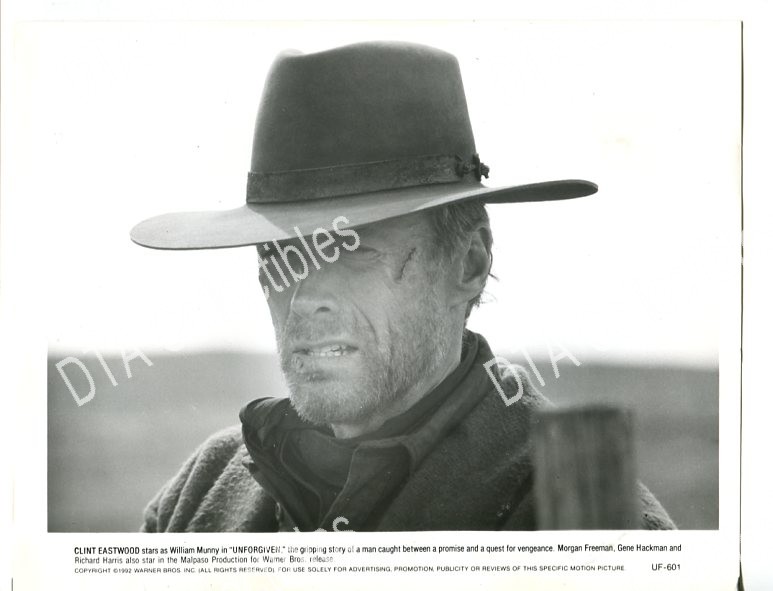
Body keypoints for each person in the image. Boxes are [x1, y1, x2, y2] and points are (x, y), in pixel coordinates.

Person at [132, 41, 674, 532]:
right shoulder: (200, 493)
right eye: (279, 255)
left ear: (468, 264)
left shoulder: (584, 522)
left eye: (354, 249)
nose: (304, 298)